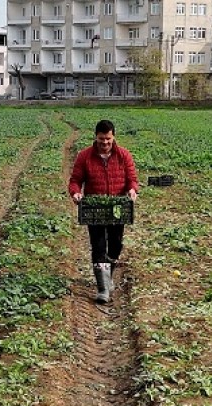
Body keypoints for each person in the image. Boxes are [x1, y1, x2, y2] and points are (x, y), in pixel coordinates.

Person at [68, 119, 139, 304]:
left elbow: (132, 179)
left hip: (117, 207)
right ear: (96, 137)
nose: (105, 143)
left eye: (108, 139)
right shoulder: (85, 156)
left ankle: (108, 276)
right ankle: (102, 287)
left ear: (113, 137)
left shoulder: (124, 155)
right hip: (95, 208)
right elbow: (75, 180)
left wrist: (132, 190)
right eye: (101, 140)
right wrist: (75, 193)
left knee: (115, 245)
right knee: (98, 246)